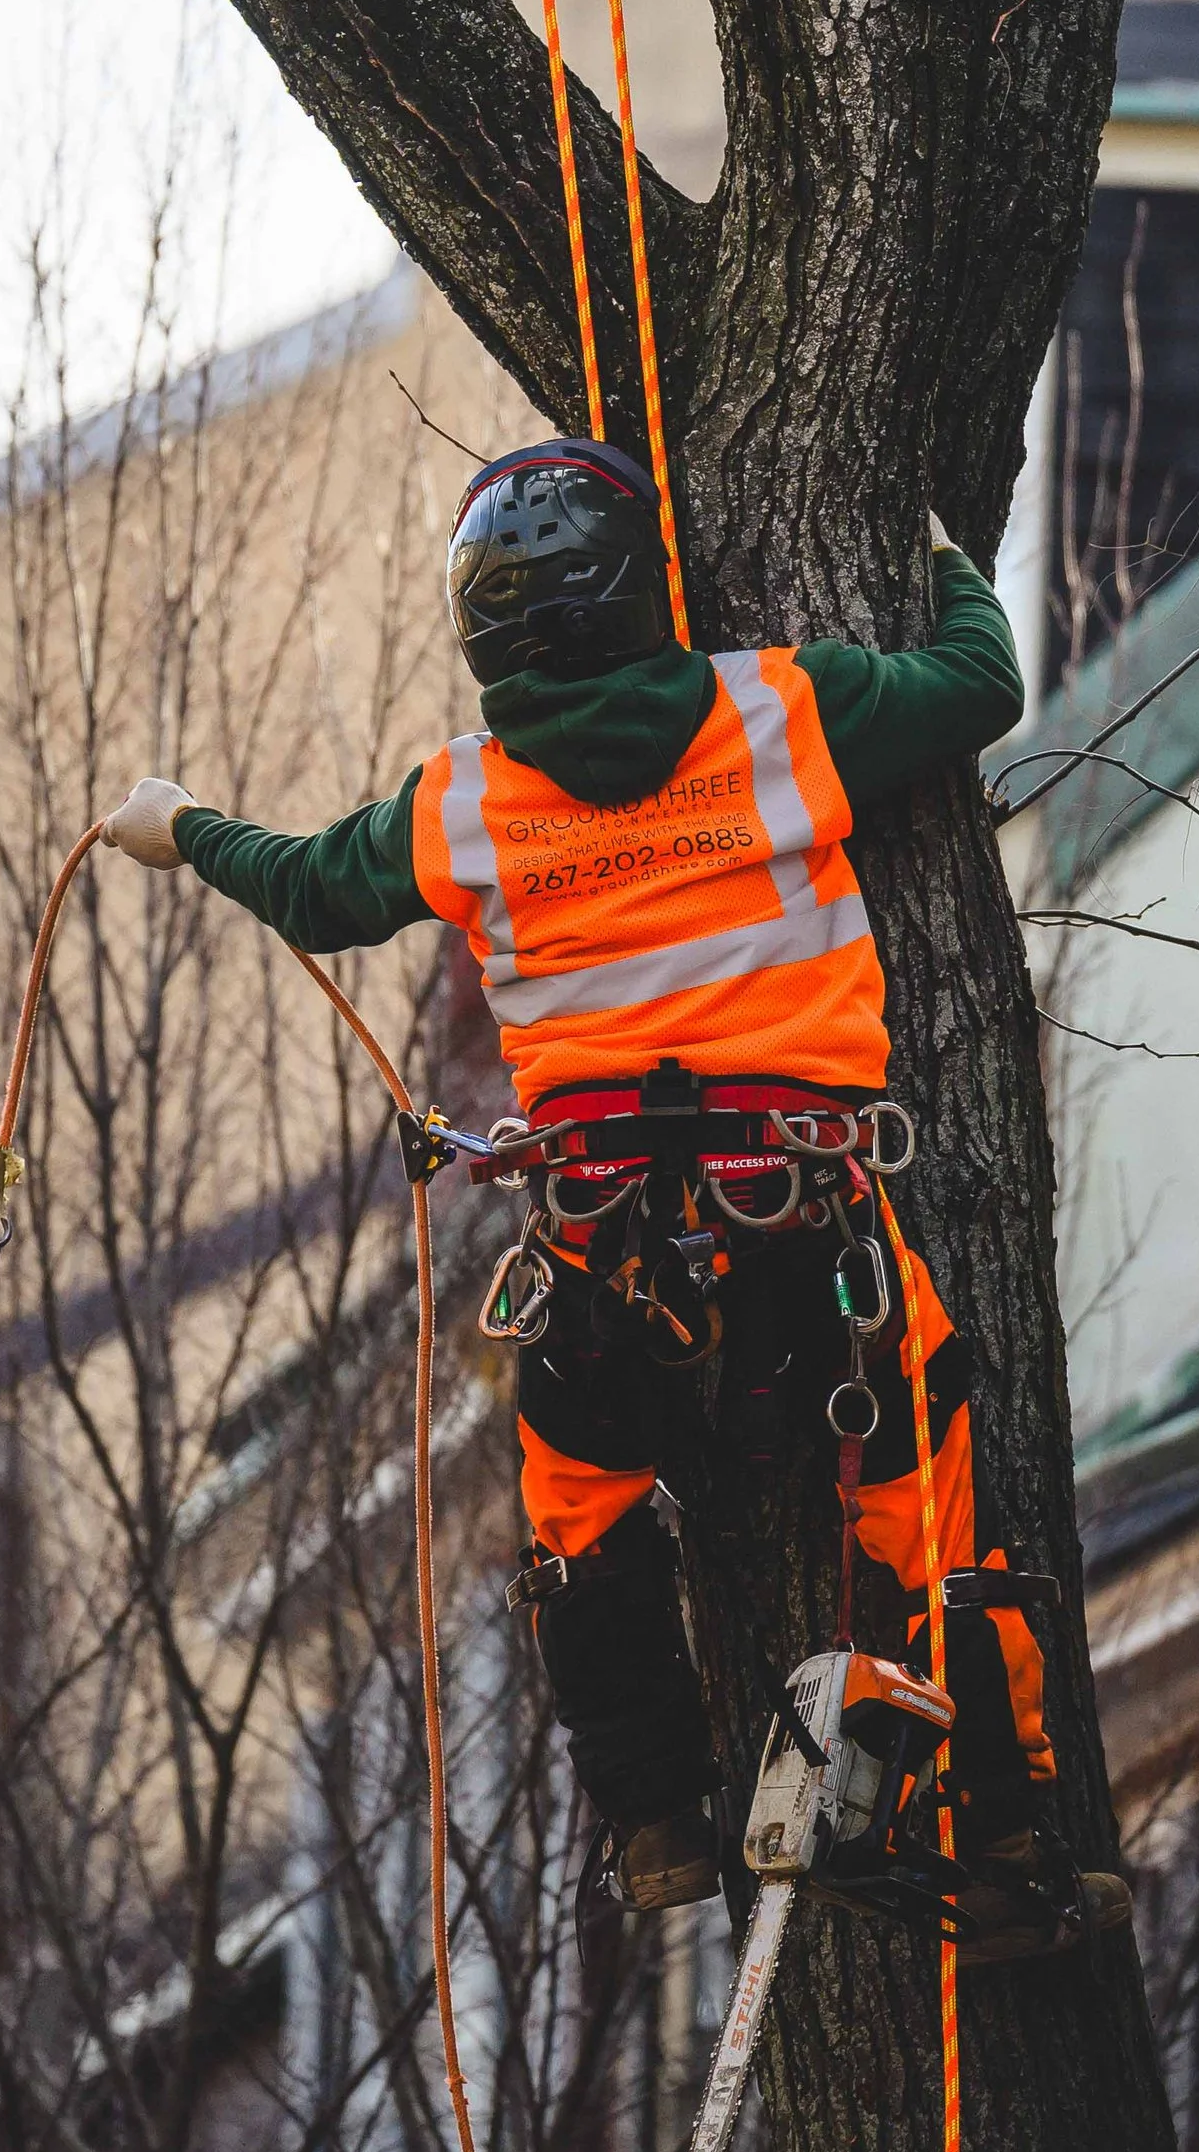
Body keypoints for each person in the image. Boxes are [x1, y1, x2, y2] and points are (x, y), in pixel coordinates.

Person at [103, 436, 1119, 1958]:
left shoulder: (465, 802)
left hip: (605, 1264)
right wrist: (932, 545)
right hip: (811, 1225)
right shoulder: (779, 709)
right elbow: (979, 682)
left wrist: (179, 825)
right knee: (927, 1482)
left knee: (579, 1514)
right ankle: (1014, 1819)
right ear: (643, 589)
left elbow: (315, 885)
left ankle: (654, 1816)